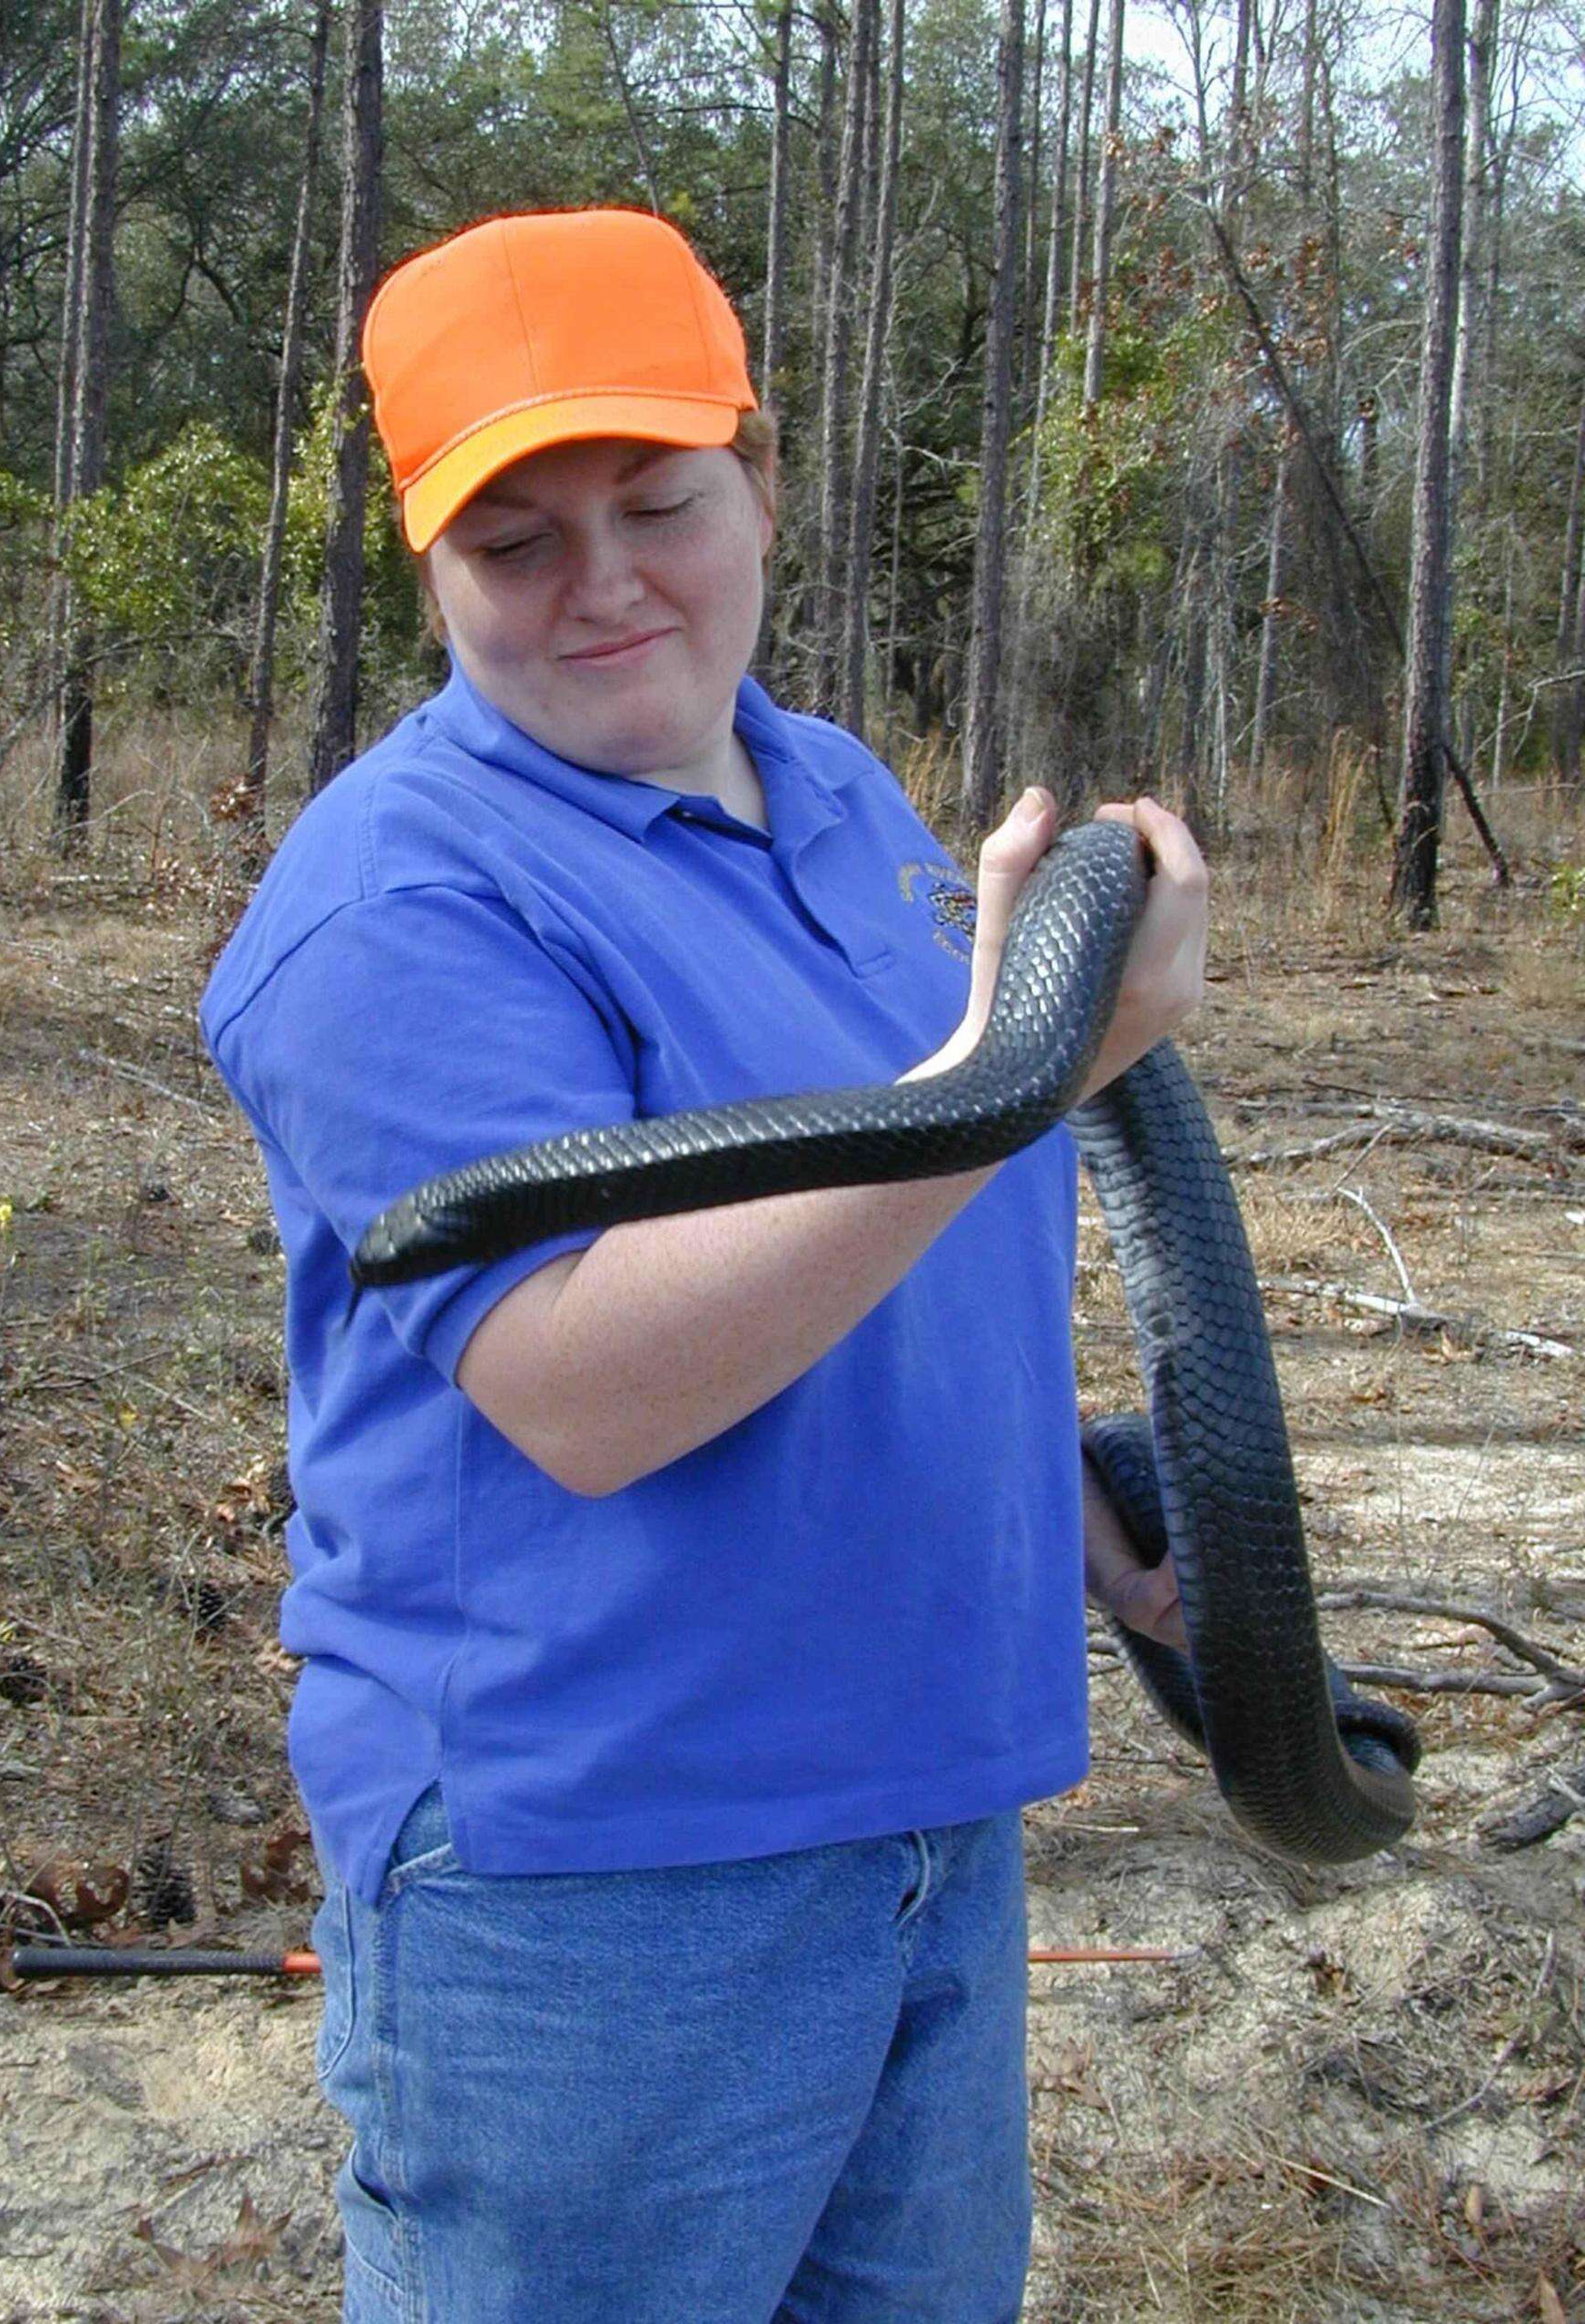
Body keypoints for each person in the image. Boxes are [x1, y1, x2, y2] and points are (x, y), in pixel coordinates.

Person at [200, 206, 1207, 2324]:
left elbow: (897, 1258)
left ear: (763, 481)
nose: (608, 585)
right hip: (599, 1877)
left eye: (658, 500)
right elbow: (588, 1382)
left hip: (928, 1799)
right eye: (517, 541)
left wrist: (1101, 1524)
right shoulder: (395, 906)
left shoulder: (832, 788)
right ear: (427, 566)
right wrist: (1010, 1064)